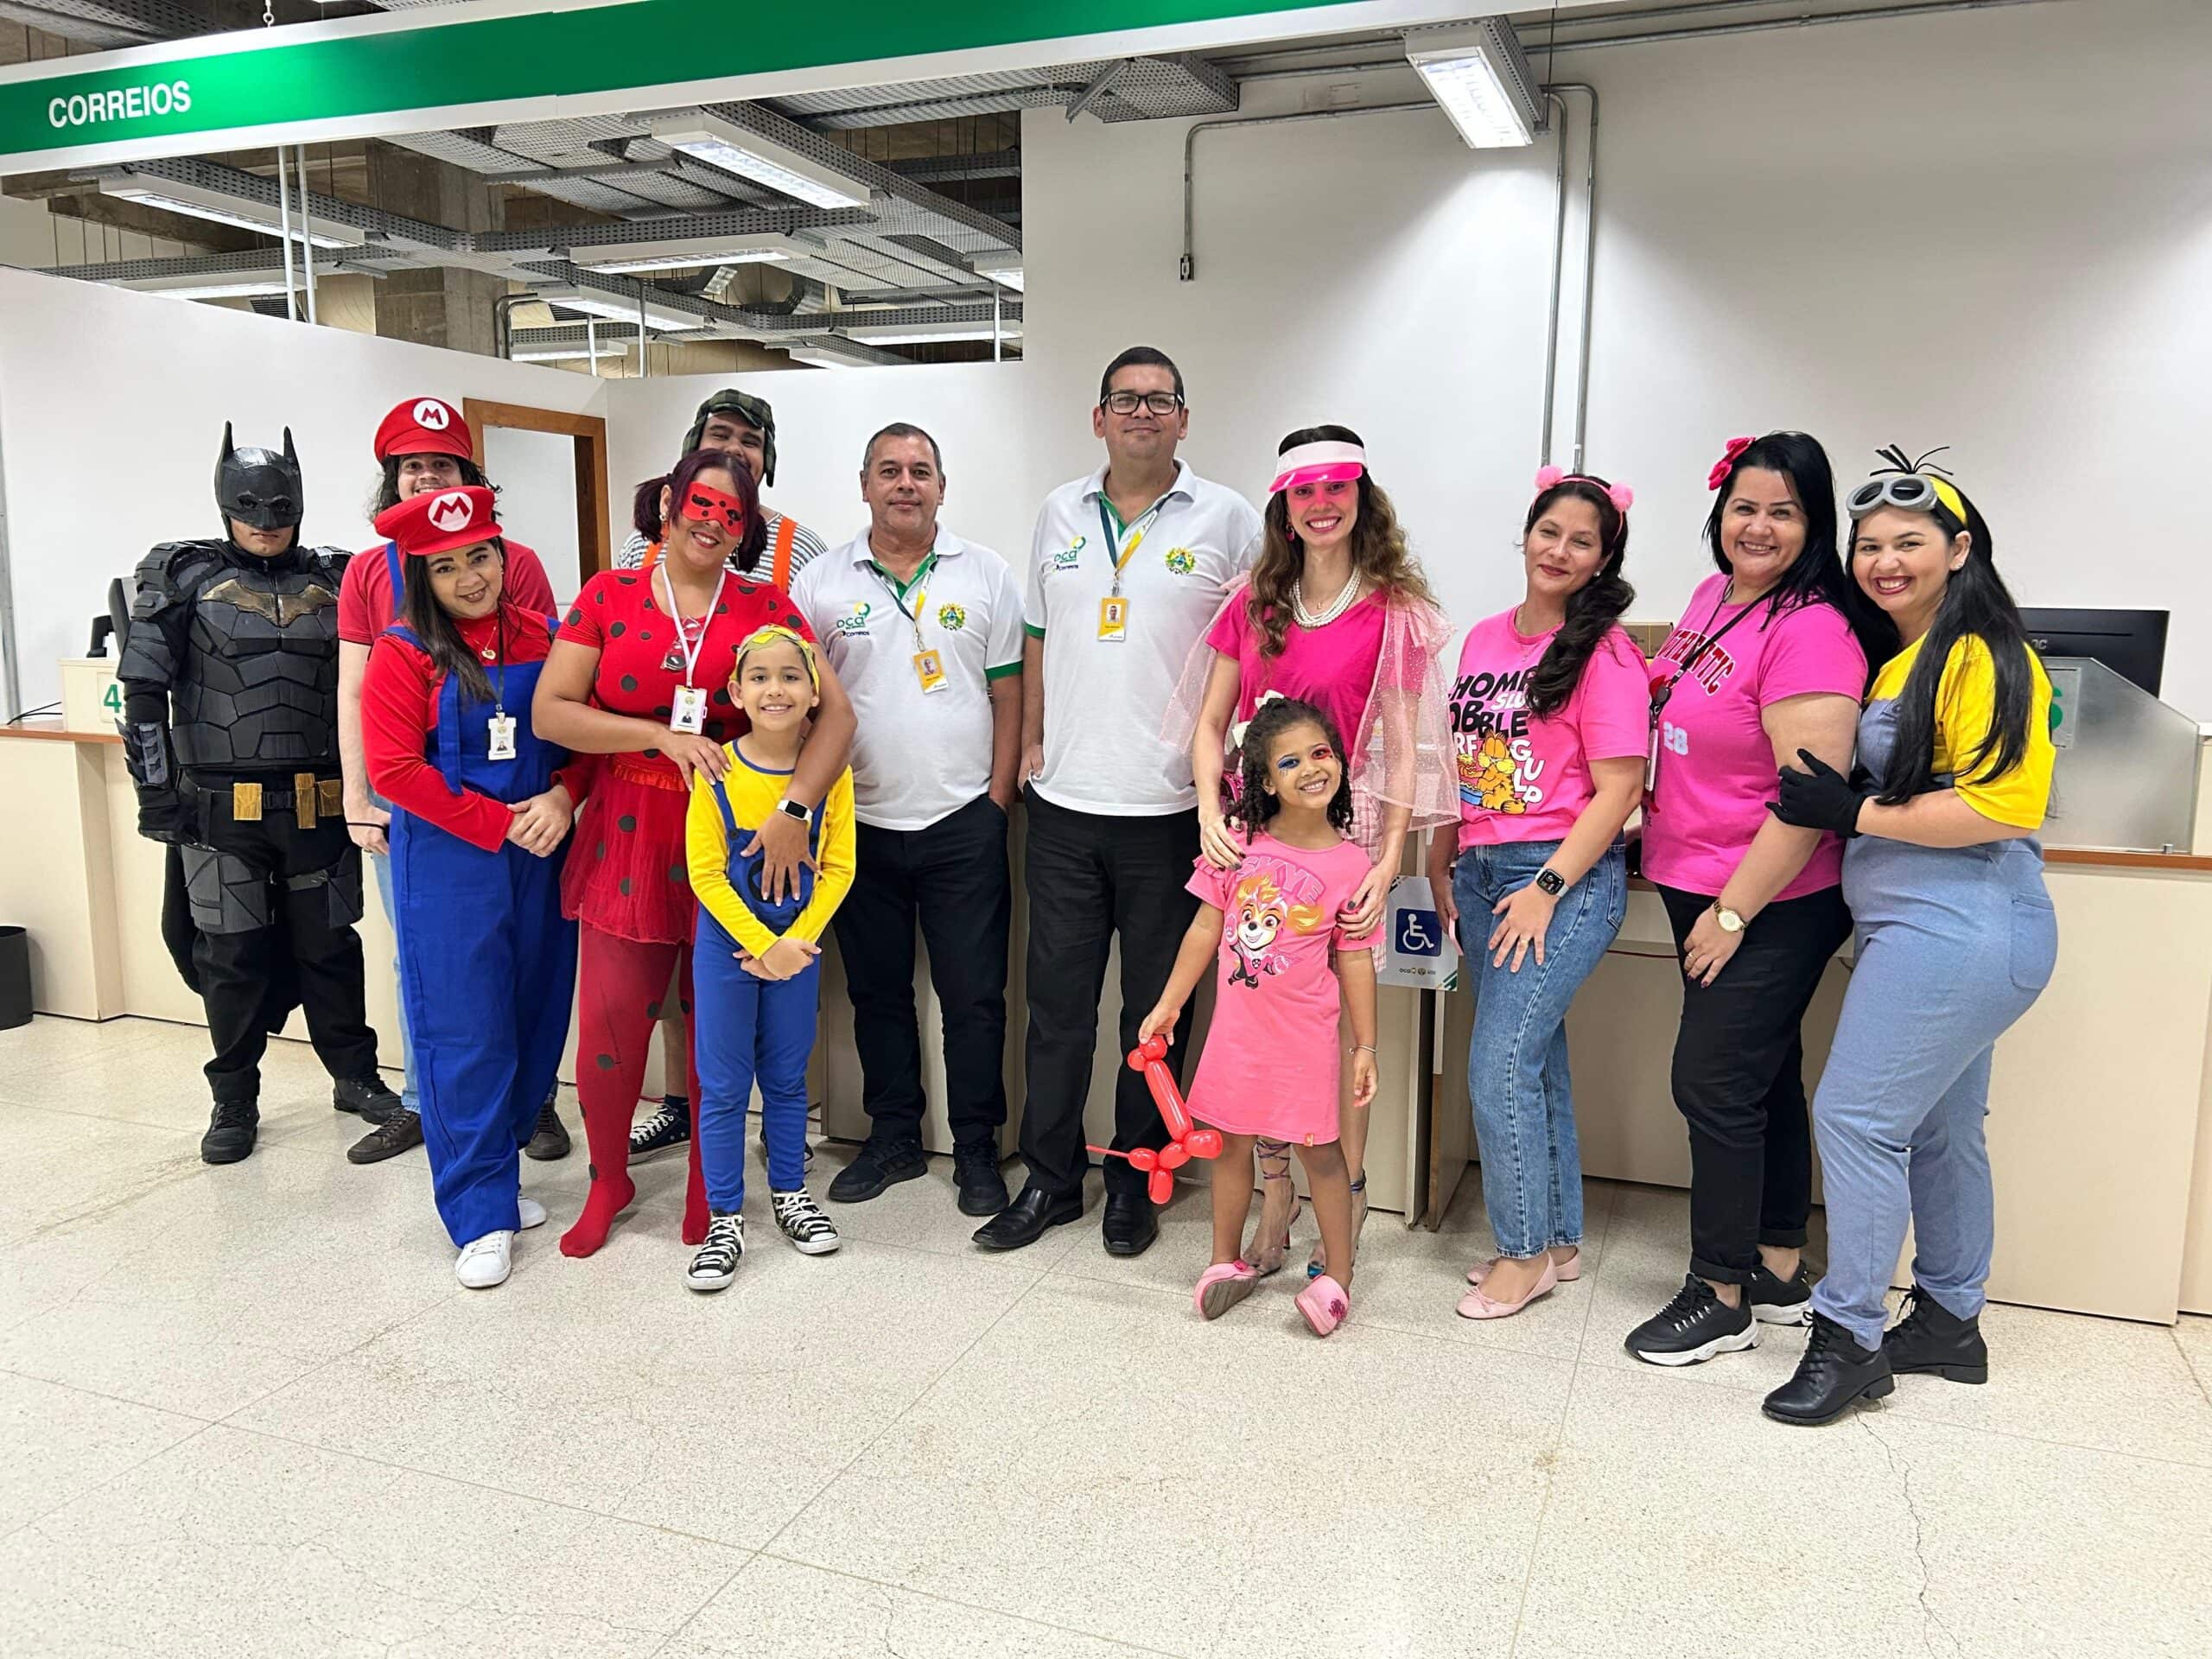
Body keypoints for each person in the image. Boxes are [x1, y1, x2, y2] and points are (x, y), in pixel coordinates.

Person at [1761, 451, 2056, 1425]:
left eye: (1909, 542)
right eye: (1870, 545)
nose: (1884, 561)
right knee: (1937, 1128)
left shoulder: (1983, 654)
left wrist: (1853, 812)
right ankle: (1948, 1321)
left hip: (1959, 928)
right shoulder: (1905, 657)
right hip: (1932, 929)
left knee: (1854, 1120)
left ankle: (1848, 1338)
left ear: (1958, 550)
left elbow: (2003, 805)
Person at [976, 346, 1264, 1257]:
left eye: (1159, 399)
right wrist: (1029, 739)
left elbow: (1257, 652)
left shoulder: (1229, 518)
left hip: (1174, 813)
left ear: (1184, 418)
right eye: (1125, 399)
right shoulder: (1058, 511)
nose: (1142, 412)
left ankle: (1139, 1176)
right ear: (1098, 418)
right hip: (1064, 808)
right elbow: (1036, 638)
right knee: (1057, 1009)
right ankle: (1051, 1180)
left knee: (1156, 1011)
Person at [533, 448, 855, 1258]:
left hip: (743, 836)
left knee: (720, 1026)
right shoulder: (607, 595)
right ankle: (608, 1180)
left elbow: (838, 719)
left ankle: (713, 1193)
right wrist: (655, 736)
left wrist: (794, 810)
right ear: (669, 505)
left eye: (732, 513)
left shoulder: (767, 605)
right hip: (632, 829)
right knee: (611, 1024)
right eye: (701, 504)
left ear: (747, 529)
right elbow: (551, 712)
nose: (713, 522)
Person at [1624, 431, 1885, 1367]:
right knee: (1763, 1074)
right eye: (1745, 507)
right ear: (1720, 513)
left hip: (1769, 895)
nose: (1759, 527)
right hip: (1693, 875)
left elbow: (1807, 798)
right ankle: (1777, 1265)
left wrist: (1733, 913)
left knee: (1713, 1081)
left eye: (1784, 511)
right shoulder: (1715, 597)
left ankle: (1721, 1292)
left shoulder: (1811, 627)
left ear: (1814, 525)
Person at [1169, 425, 1453, 1280]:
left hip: (1350, 836)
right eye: (1304, 491)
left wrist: (1390, 858)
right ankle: (1274, 1199)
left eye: (1337, 487)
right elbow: (1210, 725)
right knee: (1261, 1012)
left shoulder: (1393, 611)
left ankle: (1348, 1197)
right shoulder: (1252, 603)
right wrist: (1207, 812)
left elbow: (1404, 752)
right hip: (1254, 831)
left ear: (1361, 496)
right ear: (1284, 506)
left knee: (1328, 1030)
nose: (1321, 504)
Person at [118, 425, 403, 1164]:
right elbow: (142, 691)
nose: (266, 524)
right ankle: (234, 1097)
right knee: (231, 955)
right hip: (220, 804)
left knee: (331, 948)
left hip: (322, 799)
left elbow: (382, 684)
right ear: (225, 506)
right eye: (251, 510)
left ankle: (356, 1077)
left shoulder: (341, 576)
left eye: (279, 510)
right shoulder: (181, 574)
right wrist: (155, 792)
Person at [1428, 468, 1644, 1319]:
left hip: (1558, 876)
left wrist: (1547, 887)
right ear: (1525, 535)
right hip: (1482, 871)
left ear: (1602, 559)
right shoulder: (1484, 638)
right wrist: (1442, 864)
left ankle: (1520, 1257)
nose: (1559, 550)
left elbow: (1619, 790)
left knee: (1498, 1067)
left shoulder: (1607, 653)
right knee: (1536, 1058)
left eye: (1582, 541)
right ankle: (1556, 1242)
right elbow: (1460, 764)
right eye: (1549, 531)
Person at [791, 424, 1023, 1218]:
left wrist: (997, 804)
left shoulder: (985, 573)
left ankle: (977, 1149)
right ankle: (893, 1137)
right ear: (865, 485)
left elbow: (1009, 695)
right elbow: (801, 704)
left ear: (941, 487)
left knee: (974, 999)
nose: (905, 484)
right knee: (876, 993)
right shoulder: (821, 583)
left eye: (920, 471)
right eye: (889, 471)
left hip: (964, 821)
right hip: (857, 823)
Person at [337, 395, 569, 1166]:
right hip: (437, 829)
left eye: (443, 464)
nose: (470, 577)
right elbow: (363, 704)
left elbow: (558, 698)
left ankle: (522, 1120)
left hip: (533, 825)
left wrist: (565, 793)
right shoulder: (381, 600)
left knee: (531, 989)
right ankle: (445, 1137)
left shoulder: (526, 586)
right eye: (414, 466)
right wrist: (357, 797)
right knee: (444, 990)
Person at [361, 485, 580, 1288]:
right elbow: (393, 769)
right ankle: (478, 1209)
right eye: (446, 566)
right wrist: (495, 824)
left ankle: (501, 1174)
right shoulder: (402, 652)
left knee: (535, 1013)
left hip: (542, 851)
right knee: (465, 1030)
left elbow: (582, 738)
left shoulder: (546, 637)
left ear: (502, 554)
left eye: (480, 556)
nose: (470, 577)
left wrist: (566, 797)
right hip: (452, 862)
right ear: (420, 574)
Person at [616, 389, 825, 1167]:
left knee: (758, 958)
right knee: (683, 960)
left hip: (758, 791)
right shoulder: (638, 549)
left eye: (751, 441)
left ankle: (775, 1122)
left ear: (768, 460)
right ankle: (683, 1103)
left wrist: (797, 803)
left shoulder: (797, 548)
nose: (735, 449)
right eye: (720, 434)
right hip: (651, 790)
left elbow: (817, 683)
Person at [1141, 697, 1377, 1338]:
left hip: (1306, 1038)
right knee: (1230, 1144)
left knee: (1321, 1153)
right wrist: (1170, 1002)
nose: (1311, 768)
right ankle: (1225, 1261)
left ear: (1340, 763)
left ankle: (1339, 1276)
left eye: (1321, 753)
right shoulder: (1238, 842)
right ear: (1266, 781)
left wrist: (1366, 1047)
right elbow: (1205, 927)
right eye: (1289, 762)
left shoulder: (1353, 865)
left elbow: (1356, 959)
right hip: (1238, 1036)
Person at [684, 627, 857, 1289]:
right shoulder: (717, 771)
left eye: (790, 676)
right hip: (727, 950)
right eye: (759, 677)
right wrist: (762, 946)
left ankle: (790, 1192)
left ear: (814, 693)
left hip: (798, 950)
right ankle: (725, 1217)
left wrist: (794, 946)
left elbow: (839, 868)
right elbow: (706, 873)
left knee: (787, 1081)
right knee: (725, 1087)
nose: (775, 689)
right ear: (736, 691)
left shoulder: (831, 775)